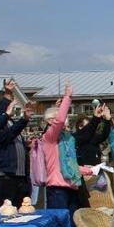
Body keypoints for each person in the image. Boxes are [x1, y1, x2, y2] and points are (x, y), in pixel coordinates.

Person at [40, 83, 83, 214]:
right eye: (64, 118)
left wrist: (90, 170)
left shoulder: (67, 139)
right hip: (57, 189)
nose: (65, 121)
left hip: (71, 185)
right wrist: (67, 97)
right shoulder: (49, 138)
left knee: (71, 225)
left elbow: (72, 165)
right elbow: (58, 121)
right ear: (50, 121)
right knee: (59, 223)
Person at [0, 81, 34, 206]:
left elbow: (11, 138)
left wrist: (25, 146)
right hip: (7, 176)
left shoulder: (10, 121)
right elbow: (4, 137)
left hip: (20, 175)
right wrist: (8, 94)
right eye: (10, 103)